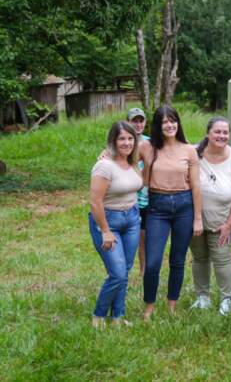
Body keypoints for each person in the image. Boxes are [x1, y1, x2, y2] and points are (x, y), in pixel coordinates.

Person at [139, 106, 203, 320]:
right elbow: (120, 149)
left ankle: (171, 305)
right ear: (158, 125)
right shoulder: (147, 147)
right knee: (152, 262)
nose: (170, 125)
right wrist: (105, 153)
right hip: (157, 206)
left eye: (173, 120)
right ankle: (149, 307)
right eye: (165, 121)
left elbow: (196, 186)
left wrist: (197, 219)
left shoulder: (188, 150)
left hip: (184, 206)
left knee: (177, 259)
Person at [189, 117, 231, 316]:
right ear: (208, 133)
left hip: (221, 222)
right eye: (217, 132)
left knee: (222, 260)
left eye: (225, 132)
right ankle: (202, 297)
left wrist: (230, 224)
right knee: (199, 258)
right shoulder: (193, 153)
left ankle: (227, 300)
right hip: (194, 219)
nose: (222, 136)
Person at [89, 121, 143, 327]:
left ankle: (118, 317)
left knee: (125, 270)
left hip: (131, 219)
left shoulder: (133, 163)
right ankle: (98, 316)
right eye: (122, 138)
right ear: (113, 140)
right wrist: (105, 231)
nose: (127, 142)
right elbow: (95, 201)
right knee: (118, 273)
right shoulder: (104, 165)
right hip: (108, 220)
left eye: (130, 138)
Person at [127, 107, 150, 277]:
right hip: (129, 198)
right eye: (134, 120)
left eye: (141, 120)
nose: (138, 124)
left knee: (144, 236)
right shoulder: (123, 143)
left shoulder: (150, 142)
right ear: (128, 122)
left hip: (147, 197)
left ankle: (144, 271)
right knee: (131, 237)